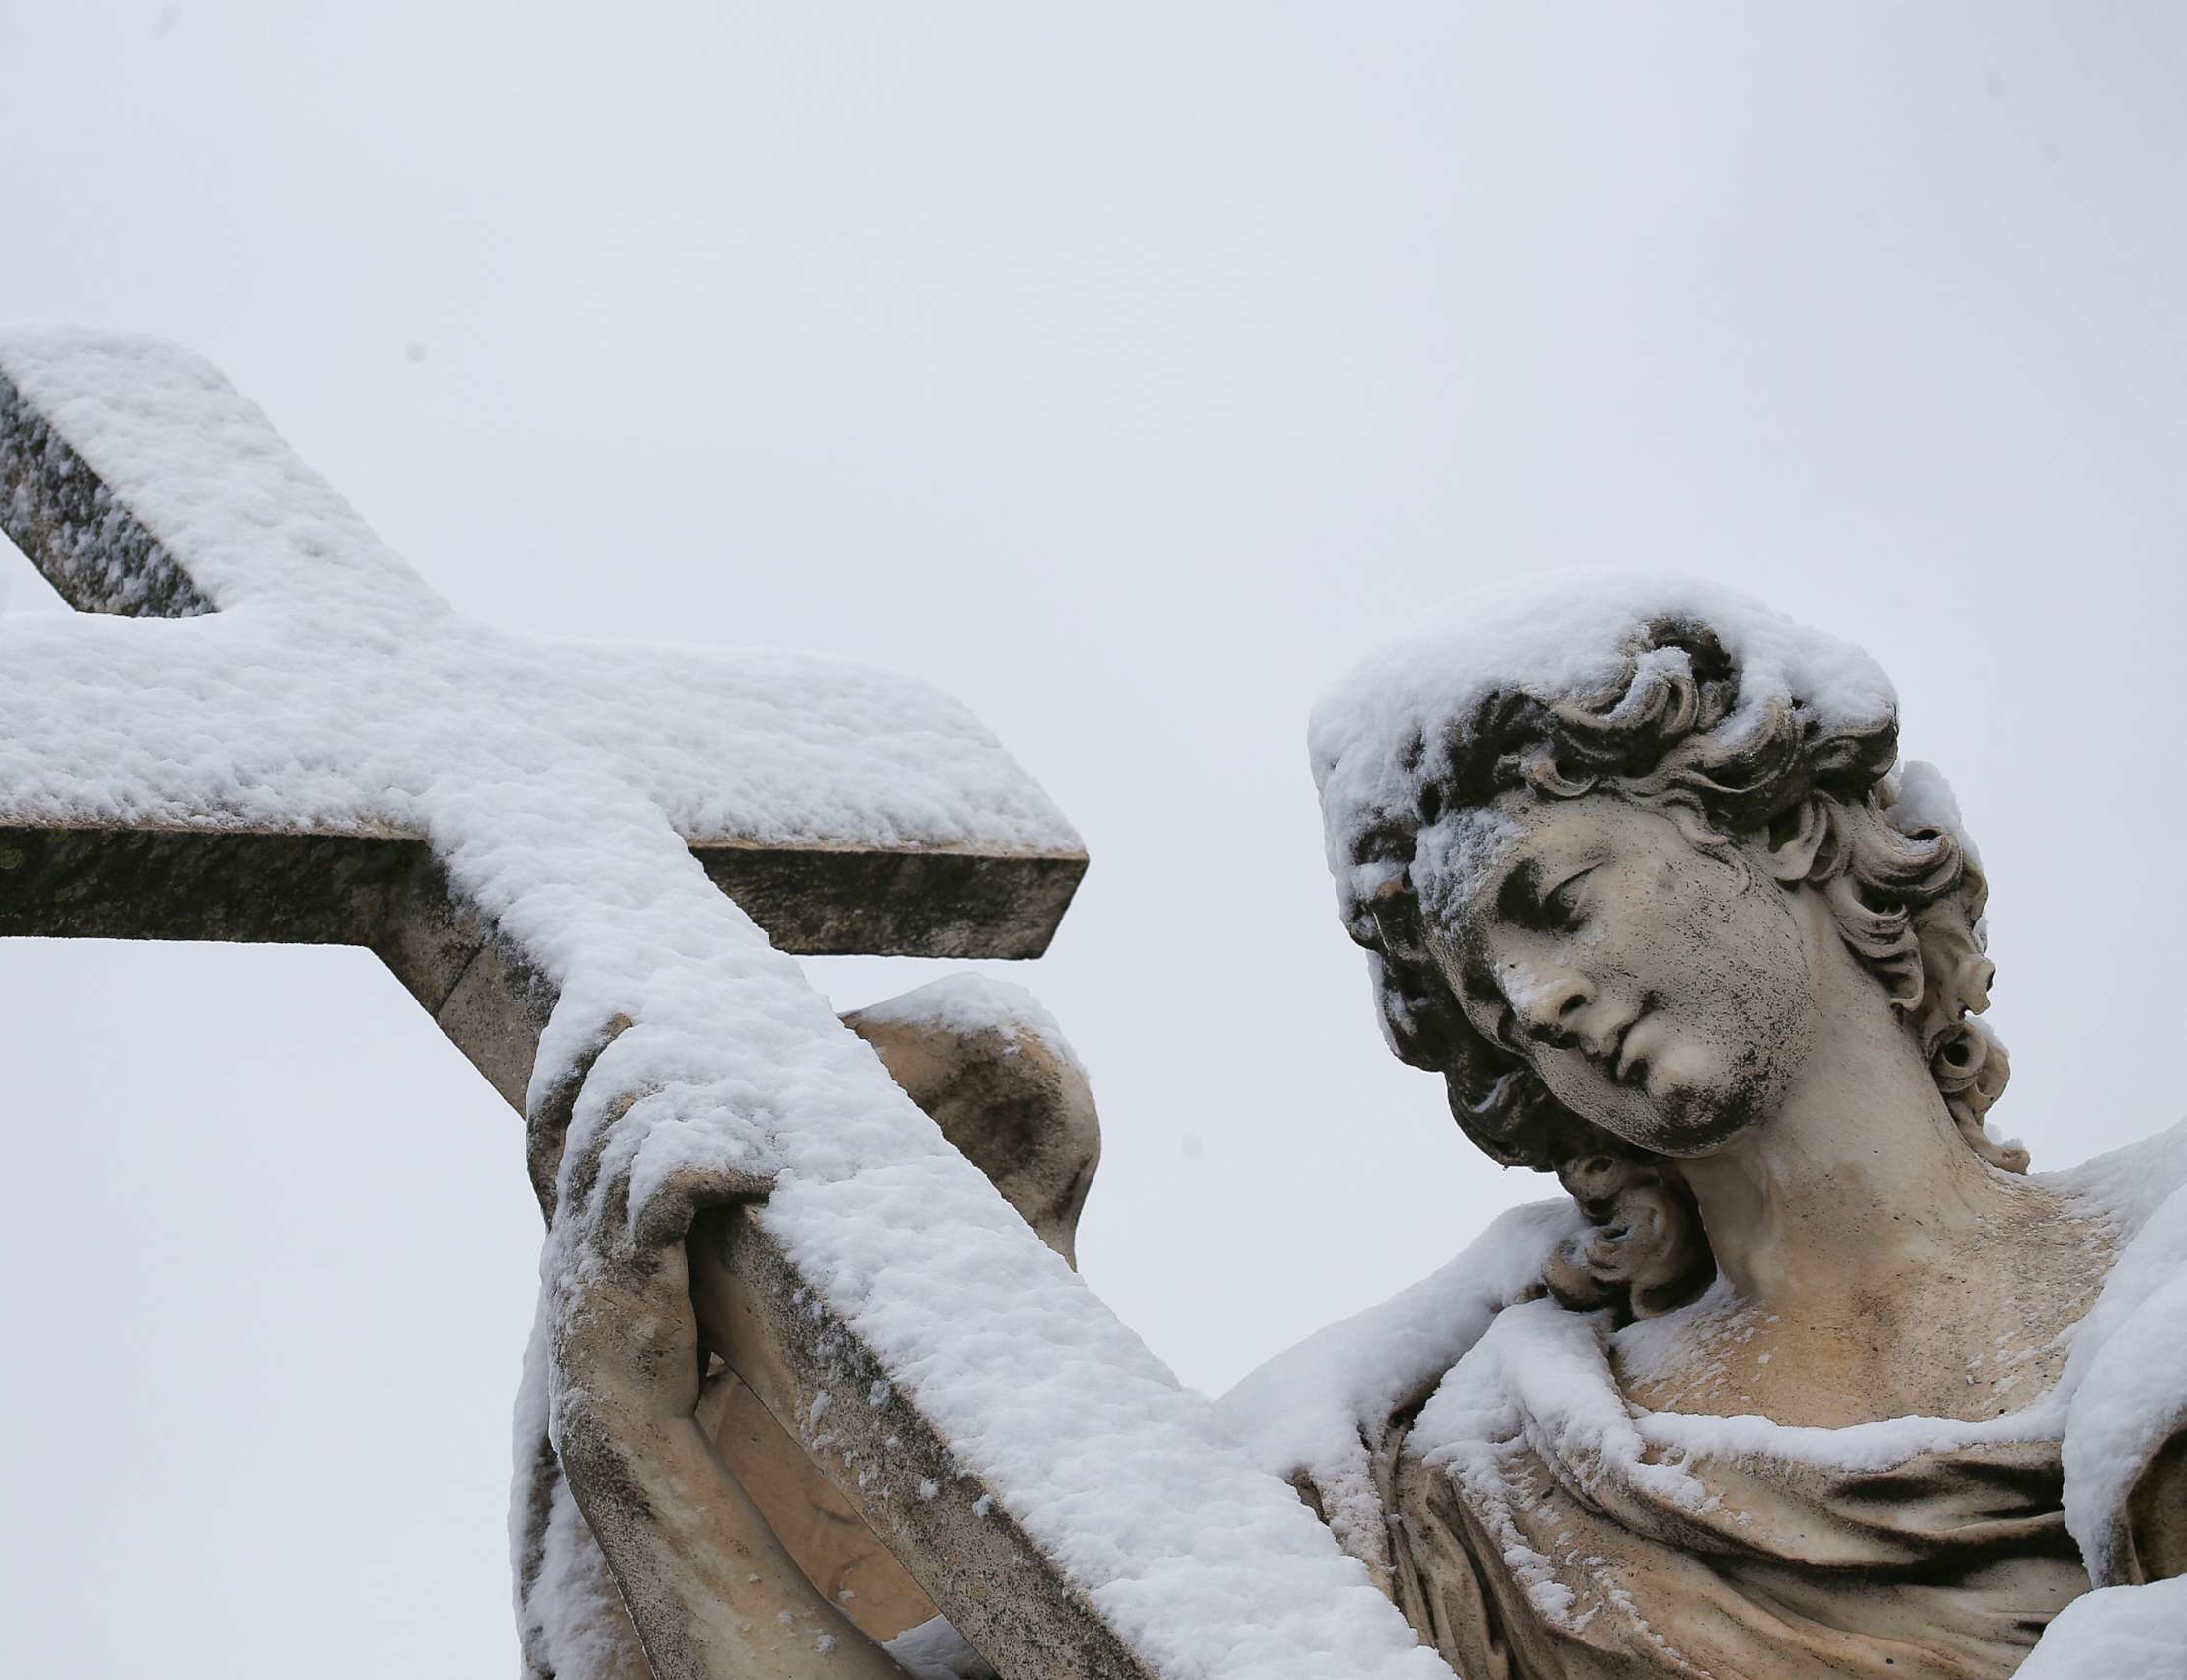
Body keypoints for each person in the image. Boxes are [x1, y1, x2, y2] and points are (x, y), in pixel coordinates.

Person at [537, 579, 2187, 1678]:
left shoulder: (2165, 1278)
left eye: (1554, 900)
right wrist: (644, 1451)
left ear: (1784, 828)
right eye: (1486, 997)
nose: (1534, 1003)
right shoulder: (1470, 1494)